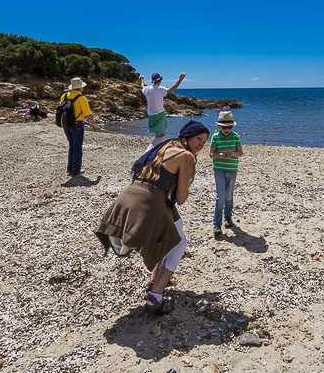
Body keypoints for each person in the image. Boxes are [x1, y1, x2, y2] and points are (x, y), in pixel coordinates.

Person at [95, 121, 210, 314]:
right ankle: (156, 296)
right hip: (150, 203)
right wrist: (185, 183)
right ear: (188, 135)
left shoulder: (163, 146)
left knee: (170, 237)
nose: (201, 144)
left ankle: (153, 281)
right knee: (180, 242)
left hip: (128, 197)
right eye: (199, 138)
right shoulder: (186, 156)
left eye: (204, 141)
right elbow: (181, 199)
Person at [209, 111, 244, 237]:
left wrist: (232, 153)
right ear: (219, 126)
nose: (227, 129)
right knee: (221, 197)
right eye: (224, 127)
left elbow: (240, 153)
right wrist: (221, 155)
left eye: (230, 127)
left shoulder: (235, 136)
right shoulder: (215, 137)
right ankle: (216, 223)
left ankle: (228, 217)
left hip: (232, 169)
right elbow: (211, 154)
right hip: (219, 169)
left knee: (229, 196)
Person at [60, 77, 99, 176]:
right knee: (77, 147)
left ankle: (70, 169)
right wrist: (93, 124)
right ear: (80, 88)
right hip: (77, 125)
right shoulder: (81, 98)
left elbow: (61, 110)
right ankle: (76, 170)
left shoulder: (64, 96)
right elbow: (88, 114)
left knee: (71, 146)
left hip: (65, 124)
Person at [140, 71, 186, 150]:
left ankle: (157, 150)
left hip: (150, 115)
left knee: (158, 135)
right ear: (160, 80)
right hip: (159, 115)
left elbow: (142, 86)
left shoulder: (147, 89)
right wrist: (180, 80)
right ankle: (149, 152)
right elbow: (171, 90)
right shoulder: (160, 89)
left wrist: (141, 79)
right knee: (159, 137)